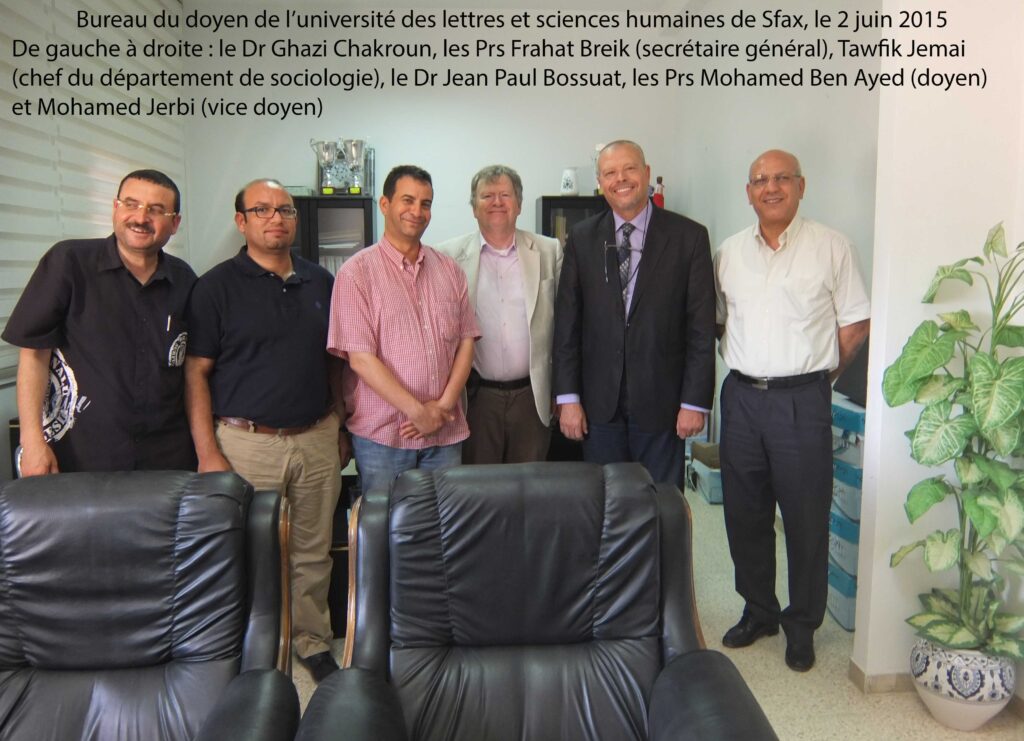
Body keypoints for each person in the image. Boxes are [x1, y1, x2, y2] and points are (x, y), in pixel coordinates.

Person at [184, 178, 347, 684]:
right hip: (246, 443)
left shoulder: (321, 281)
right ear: (241, 221)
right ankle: (253, 646)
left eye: (285, 210)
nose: (276, 218)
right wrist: (207, 452)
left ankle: (312, 642)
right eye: (262, 210)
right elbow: (196, 373)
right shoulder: (214, 287)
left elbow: (335, 362)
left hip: (316, 437)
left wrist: (339, 425)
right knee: (250, 552)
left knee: (313, 551)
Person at [714, 149, 870, 672]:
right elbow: (719, 321)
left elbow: (855, 324)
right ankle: (758, 611)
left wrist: (817, 378)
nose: (771, 187)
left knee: (804, 518)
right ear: (748, 192)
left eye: (783, 178)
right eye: (761, 180)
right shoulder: (729, 252)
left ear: (801, 186)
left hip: (802, 400)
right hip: (741, 398)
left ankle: (801, 625)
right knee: (744, 514)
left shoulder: (832, 247)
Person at [3, 169, 197, 475]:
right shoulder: (69, 261)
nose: (141, 217)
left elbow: (191, 371)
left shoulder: (185, 280)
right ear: (115, 208)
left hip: (166, 456)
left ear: (175, 223)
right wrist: (32, 441)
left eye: (156, 210)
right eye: (131, 204)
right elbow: (34, 353)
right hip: (81, 454)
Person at [552, 140, 716, 484]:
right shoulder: (582, 238)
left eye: (629, 169)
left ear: (647, 173)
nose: (621, 179)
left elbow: (700, 329)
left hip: (663, 404)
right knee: (607, 503)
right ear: (600, 182)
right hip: (599, 407)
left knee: (661, 503)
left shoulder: (689, 237)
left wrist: (694, 402)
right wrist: (568, 398)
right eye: (610, 173)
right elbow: (567, 325)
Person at [328, 165, 478, 493]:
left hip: (445, 433)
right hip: (384, 438)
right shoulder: (356, 274)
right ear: (385, 204)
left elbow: (466, 342)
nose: (417, 211)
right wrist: (417, 412)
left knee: (443, 521)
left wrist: (441, 408)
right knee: (384, 522)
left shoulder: (450, 270)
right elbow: (361, 359)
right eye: (407, 200)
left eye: (426, 203)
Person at [435, 165, 562, 463]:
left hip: (533, 396)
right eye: (487, 196)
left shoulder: (549, 250)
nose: (497, 202)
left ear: (519, 204)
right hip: (476, 397)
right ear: (473, 207)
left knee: (529, 484)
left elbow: (565, 326)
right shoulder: (446, 256)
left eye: (505, 195)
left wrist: (563, 392)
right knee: (480, 485)